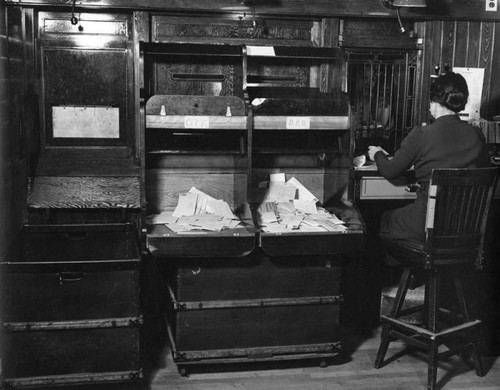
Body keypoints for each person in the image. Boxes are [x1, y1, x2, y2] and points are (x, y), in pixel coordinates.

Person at [368, 72, 488, 245]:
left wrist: (378, 154)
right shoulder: (476, 134)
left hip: (425, 226)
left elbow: (389, 170)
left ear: (434, 102)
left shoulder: (422, 134)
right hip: (462, 228)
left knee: (384, 217)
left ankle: (406, 268)